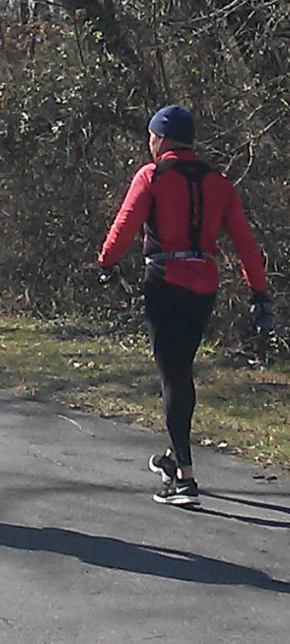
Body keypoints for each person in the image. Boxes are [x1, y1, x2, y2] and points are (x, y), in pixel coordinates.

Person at [97, 104, 276, 507]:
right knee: (180, 368)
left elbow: (125, 224)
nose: (149, 143)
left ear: (161, 138)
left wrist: (106, 263)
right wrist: (259, 293)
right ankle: (174, 458)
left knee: (173, 374)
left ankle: (184, 479)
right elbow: (246, 245)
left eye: (151, 137)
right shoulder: (220, 182)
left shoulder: (153, 175)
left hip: (164, 281)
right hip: (204, 284)